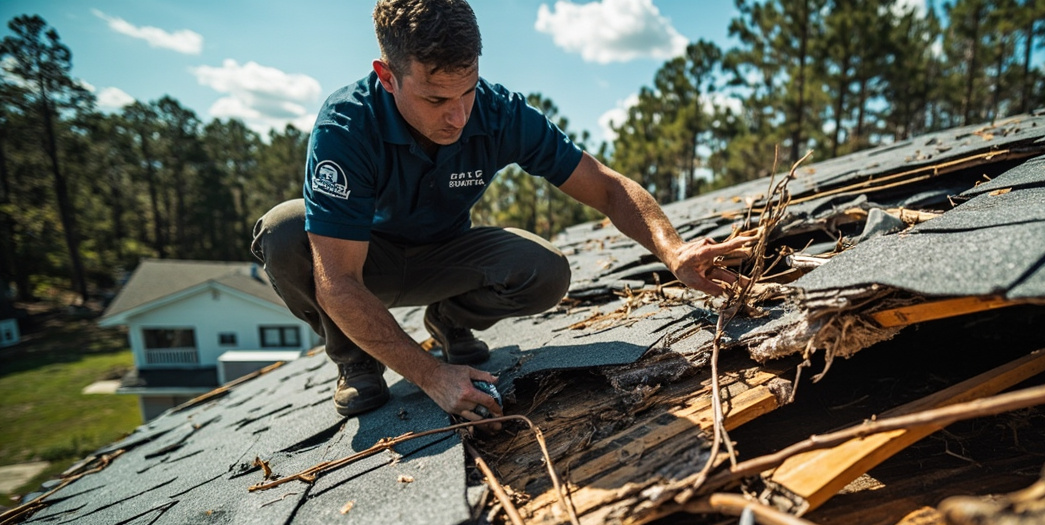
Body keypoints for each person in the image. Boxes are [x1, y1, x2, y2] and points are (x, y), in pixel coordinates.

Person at [252, 0, 749, 420]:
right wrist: (431, 376)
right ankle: (355, 357)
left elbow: (606, 187)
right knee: (284, 230)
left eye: (467, 91)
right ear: (387, 77)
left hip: (442, 257)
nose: (458, 116)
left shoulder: (499, 111)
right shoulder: (346, 127)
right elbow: (338, 282)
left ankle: (448, 321)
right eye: (436, 98)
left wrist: (673, 249)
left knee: (545, 270)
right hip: (363, 268)